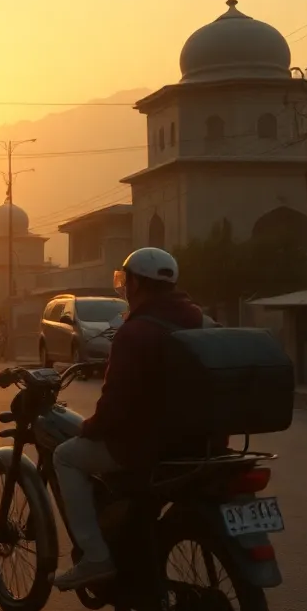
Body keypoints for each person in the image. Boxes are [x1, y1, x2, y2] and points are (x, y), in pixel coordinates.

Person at [50, 247, 206, 591]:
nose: (123, 288)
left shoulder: (134, 333)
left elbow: (114, 405)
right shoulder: (197, 319)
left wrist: (90, 428)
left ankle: (94, 557)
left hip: (146, 447)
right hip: (200, 441)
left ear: (135, 284)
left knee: (66, 455)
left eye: (125, 281)